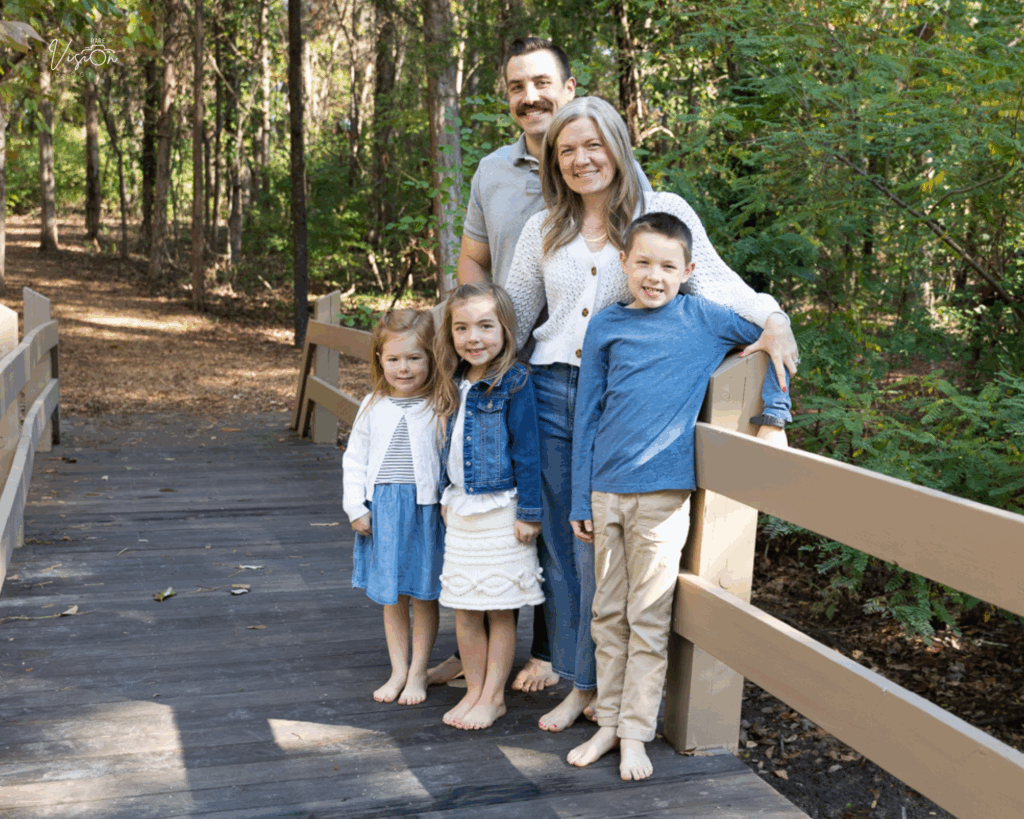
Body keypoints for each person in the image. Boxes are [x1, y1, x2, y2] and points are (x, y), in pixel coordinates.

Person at [502, 95, 796, 733]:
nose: (582, 160)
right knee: (565, 547)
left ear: (618, 145)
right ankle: (582, 685)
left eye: (593, 145)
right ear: (554, 161)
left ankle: (617, 696)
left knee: (610, 560)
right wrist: (463, 377)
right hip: (551, 393)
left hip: (623, 401)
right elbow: (516, 315)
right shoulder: (543, 226)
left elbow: (718, 284)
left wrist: (772, 318)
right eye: (566, 150)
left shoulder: (663, 213)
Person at [566, 212, 791, 780]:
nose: (654, 275)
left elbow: (774, 340)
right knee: (605, 615)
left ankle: (637, 732)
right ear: (625, 264)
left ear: (688, 271)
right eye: (643, 262)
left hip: (663, 498)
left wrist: (775, 415)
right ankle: (608, 726)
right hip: (604, 493)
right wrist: (577, 498)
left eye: (668, 266)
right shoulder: (607, 325)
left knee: (647, 617)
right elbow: (586, 414)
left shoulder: (704, 318)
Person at [433, 282, 545, 730]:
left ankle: (493, 696)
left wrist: (529, 512)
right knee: (464, 606)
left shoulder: (514, 381)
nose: (473, 337)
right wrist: (445, 492)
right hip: (461, 510)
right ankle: (474, 688)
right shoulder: (455, 381)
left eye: (485, 326)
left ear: (505, 330)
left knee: (500, 607)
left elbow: (528, 451)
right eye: (462, 328)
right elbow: (448, 444)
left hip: (502, 509)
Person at [342, 309, 446, 706]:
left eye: (415, 358)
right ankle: (398, 669)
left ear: (431, 358)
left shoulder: (439, 401)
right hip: (383, 508)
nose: (404, 368)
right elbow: (355, 459)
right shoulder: (372, 404)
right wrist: (356, 506)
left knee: (423, 593)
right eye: (394, 359)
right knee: (392, 595)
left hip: (424, 510)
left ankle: (419, 670)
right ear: (380, 360)